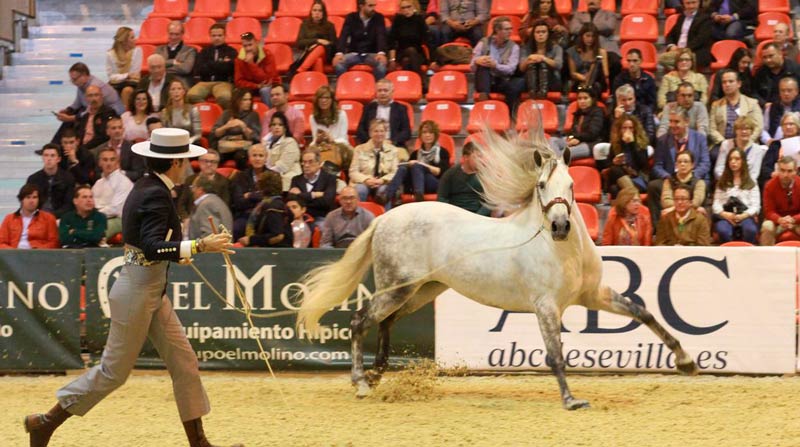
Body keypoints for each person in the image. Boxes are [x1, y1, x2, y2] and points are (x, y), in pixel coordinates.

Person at [23, 128, 239, 447]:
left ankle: (199, 443)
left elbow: (147, 244)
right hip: (138, 292)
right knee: (113, 372)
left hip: (149, 288)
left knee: (184, 362)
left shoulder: (150, 187)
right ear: (176, 162)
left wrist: (179, 252)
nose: (190, 165)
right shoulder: (155, 192)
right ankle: (45, 422)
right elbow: (151, 247)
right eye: (187, 160)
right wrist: (197, 246)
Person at [647, 110, 709, 220]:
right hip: (672, 180)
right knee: (653, 186)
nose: (672, 125)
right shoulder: (663, 140)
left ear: (686, 122)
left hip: (692, 180)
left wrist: (690, 175)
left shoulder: (700, 138)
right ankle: (657, 228)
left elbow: (705, 164)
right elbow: (657, 166)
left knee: (703, 185)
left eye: (676, 122)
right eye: (670, 121)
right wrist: (669, 178)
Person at [51, 62, 124, 144]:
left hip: (110, 112)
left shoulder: (93, 87)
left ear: (84, 75)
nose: (73, 82)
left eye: (74, 79)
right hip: (96, 109)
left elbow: (89, 111)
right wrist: (68, 110)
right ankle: (56, 144)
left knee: (71, 120)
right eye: (71, 79)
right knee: (71, 115)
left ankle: (68, 144)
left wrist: (70, 118)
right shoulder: (82, 84)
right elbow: (78, 103)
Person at [384, 120, 450, 208]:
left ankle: (419, 195)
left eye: (430, 132)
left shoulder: (442, 152)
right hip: (415, 184)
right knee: (403, 168)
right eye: (424, 132)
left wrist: (421, 164)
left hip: (434, 184)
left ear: (435, 135)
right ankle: (387, 195)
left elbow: (439, 171)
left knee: (417, 166)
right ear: (420, 135)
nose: (427, 135)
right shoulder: (415, 154)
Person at [472, 16, 525, 112]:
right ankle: (484, 96)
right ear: (497, 30)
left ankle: (509, 114)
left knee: (517, 84)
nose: (510, 32)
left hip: (502, 80)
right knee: (483, 64)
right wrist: (477, 60)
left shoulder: (514, 47)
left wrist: (495, 65)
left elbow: (511, 69)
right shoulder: (483, 42)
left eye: (511, 29)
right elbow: (471, 66)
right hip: (485, 79)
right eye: (506, 29)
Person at [712, 148, 760, 244]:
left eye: (737, 159)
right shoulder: (722, 181)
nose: (733, 162)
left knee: (750, 230)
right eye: (730, 159)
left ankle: (747, 253)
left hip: (745, 215)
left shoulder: (751, 182)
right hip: (726, 215)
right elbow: (716, 204)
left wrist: (743, 216)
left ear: (743, 161)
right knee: (723, 230)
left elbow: (756, 206)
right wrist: (725, 214)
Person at [708, 69, 763, 151]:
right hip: (723, 144)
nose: (727, 84)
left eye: (730, 81)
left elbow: (758, 127)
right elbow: (712, 129)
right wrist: (725, 143)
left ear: (739, 84)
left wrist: (745, 142)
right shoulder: (716, 105)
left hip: (747, 143)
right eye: (724, 82)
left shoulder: (752, 103)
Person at [334, 0, 389, 79]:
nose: (373, 8)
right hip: (354, 53)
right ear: (361, 6)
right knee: (339, 65)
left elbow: (381, 36)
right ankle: (344, 87)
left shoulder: (379, 17)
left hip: (372, 53)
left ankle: (378, 89)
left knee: (381, 66)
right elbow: (344, 35)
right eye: (370, 6)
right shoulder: (351, 17)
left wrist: (381, 53)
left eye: (374, 5)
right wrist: (339, 53)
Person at [598, 114, 649, 198]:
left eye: (630, 128)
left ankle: (634, 197)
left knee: (615, 179)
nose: (627, 131)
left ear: (635, 129)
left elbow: (643, 165)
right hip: (621, 178)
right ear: (620, 130)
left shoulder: (641, 144)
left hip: (638, 178)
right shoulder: (616, 144)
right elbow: (608, 165)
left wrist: (632, 144)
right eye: (624, 128)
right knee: (614, 187)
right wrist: (614, 162)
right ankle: (634, 199)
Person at [350, 118, 400, 202]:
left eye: (382, 131)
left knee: (383, 191)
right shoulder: (359, 149)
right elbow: (353, 171)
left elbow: (395, 172)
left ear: (386, 133)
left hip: (383, 183)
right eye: (376, 131)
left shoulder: (393, 150)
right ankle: (360, 214)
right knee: (361, 190)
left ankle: (385, 215)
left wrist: (382, 180)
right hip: (363, 182)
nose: (379, 134)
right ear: (370, 133)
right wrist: (366, 180)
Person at [187, 23, 236, 108]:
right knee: (191, 95)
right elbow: (199, 69)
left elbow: (229, 69)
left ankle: (220, 116)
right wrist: (221, 64)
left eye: (219, 35)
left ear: (225, 36)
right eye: (214, 35)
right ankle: (208, 110)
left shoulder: (231, 51)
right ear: (210, 36)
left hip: (223, 82)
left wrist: (210, 64)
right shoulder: (204, 51)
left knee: (225, 97)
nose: (217, 38)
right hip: (204, 82)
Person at [210, 89, 261, 169]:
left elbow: (256, 137)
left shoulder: (253, 115)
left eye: (250, 99)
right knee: (215, 156)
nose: (249, 102)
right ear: (237, 100)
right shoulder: (227, 113)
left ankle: (241, 179)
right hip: (226, 146)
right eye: (245, 100)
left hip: (243, 147)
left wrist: (244, 127)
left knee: (240, 156)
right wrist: (227, 126)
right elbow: (214, 133)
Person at [238, 171, 292, 247]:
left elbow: (278, 236)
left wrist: (251, 240)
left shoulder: (273, 207)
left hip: (276, 253)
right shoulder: (276, 204)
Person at [552, 86, 604, 161]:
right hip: (577, 141)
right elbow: (573, 131)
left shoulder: (598, 112)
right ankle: (555, 160)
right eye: (579, 98)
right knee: (553, 140)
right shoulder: (578, 113)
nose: (582, 101)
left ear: (592, 99)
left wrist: (576, 138)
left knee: (564, 153)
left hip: (590, 144)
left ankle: (554, 162)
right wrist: (571, 138)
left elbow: (592, 133)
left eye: (585, 98)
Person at [92, 146, 134, 238]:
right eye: (105, 160)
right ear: (99, 162)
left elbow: (115, 209)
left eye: (112, 160)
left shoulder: (123, 182)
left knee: (95, 232)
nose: (109, 163)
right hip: (98, 216)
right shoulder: (98, 183)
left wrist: (93, 216)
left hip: (119, 219)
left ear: (117, 162)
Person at [437, 142, 490, 215]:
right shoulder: (450, 174)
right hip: (455, 215)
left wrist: (478, 216)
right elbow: (442, 197)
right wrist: (450, 213)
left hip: (477, 215)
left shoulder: (486, 175)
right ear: (466, 157)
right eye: (477, 157)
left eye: (481, 157)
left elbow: (489, 202)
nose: (481, 160)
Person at [178, 149, 231, 221]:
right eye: (205, 161)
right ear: (199, 162)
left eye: (213, 162)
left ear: (217, 164)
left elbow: (224, 206)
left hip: (213, 220)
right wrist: (185, 218)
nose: (209, 164)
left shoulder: (224, 182)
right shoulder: (190, 179)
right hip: (190, 219)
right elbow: (181, 204)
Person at [355, 79, 412, 147]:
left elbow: (406, 132)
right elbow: (360, 130)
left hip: (394, 145)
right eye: (379, 90)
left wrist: (392, 141)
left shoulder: (401, 108)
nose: (382, 93)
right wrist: (371, 142)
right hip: (371, 145)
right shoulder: (368, 108)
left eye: (385, 90)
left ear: (392, 92)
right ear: (376, 93)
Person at [308, 85, 352, 174]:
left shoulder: (341, 115)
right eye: (321, 98)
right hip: (322, 147)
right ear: (317, 100)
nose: (324, 100)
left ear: (332, 100)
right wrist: (317, 140)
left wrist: (332, 139)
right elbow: (314, 140)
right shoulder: (313, 117)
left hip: (339, 146)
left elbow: (343, 139)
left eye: (327, 98)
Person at [0, 183, 59, 249]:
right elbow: (1, 242)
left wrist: (39, 251)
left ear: (38, 200)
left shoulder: (48, 218)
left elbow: (54, 243)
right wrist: (12, 251)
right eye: (28, 197)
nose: (31, 201)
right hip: (13, 255)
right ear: (21, 200)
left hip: (38, 255)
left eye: (34, 197)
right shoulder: (9, 219)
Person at [288, 149, 338, 225]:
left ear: (319, 163)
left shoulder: (330, 179)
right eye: (304, 162)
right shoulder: (296, 180)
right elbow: (293, 201)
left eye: (310, 162)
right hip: (300, 217)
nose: (306, 165)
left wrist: (301, 195)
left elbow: (327, 202)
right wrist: (314, 195)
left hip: (321, 216)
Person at [660, 0, 712, 71]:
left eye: (693, 3)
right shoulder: (681, 17)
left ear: (699, 3)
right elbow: (671, 35)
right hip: (678, 51)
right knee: (662, 59)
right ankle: (680, 74)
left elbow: (700, 39)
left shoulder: (705, 18)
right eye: (688, 3)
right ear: (683, 4)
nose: (691, 6)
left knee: (682, 60)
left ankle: (682, 75)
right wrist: (671, 45)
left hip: (695, 52)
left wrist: (683, 50)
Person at [92, 116, 148, 182]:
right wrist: (106, 174)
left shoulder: (132, 149)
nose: (117, 131)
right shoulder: (99, 150)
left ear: (123, 130)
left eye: (120, 128)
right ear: (107, 131)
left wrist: (120, 173)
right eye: (114, 128)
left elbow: (138, 173)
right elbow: (96, 173)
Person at [231, 144, 270, 238]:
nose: (257, 159)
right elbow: (238, 202)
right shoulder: (240, 176)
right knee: (235, 229)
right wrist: (259, 196)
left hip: (267, 215)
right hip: (245, 215)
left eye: (261, 156)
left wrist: (249, 195)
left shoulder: (273, 176)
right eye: (254, 155)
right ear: (249, 158)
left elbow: (271, 200)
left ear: (266, 158)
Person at [27, 144, 76, 219]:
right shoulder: (33, 179)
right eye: (46, 155)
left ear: (58, 159)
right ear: (42, 158)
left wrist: (52, 216)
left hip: (60, 218)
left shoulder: (68, 178)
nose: (49, 159)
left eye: (52, 156)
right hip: (38, 217)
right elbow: (28, 203)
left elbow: (69, 205)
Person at [760, 156, 800, 245]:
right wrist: (780, 220)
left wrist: (793, 219)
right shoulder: (769, 185)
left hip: (797, 221)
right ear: (777, 170)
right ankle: (767, 256)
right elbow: (769, 212)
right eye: (782, 170)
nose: (785, 175)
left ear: (796, 171)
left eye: (789, 171)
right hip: (777, 222)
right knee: (767, 226)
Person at [714, 116, 766, 183]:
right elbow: (718, 169)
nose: (744, 131)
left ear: (752, 131)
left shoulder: (757, 149)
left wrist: (741, 184)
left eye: (747, 129)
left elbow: (754, 174)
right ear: (736, 131)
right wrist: (730, 182)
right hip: (727, 183)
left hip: (747, 184)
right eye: (741, 129)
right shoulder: (726, 144)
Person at [519, 19, 563, 99]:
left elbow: (559, 65)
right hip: (530, 80)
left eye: (543, 32)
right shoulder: (526, 48)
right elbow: (521, 68)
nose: (540, 35)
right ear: (534, 34)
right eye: (538, 32)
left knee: (543, 64)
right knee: (532, 64)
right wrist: (529, 59)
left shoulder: (556, 48)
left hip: (552, 81)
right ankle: (533, 95)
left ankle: (542, 96)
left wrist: (543, 58)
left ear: (548, 34)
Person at [234, 31, 280, 106]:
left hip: (271, 85)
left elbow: (267, 81)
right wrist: (256, 86)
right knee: (237, 93)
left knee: (264, 90)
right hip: (251, 87)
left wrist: (251, 64)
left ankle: (270, 115)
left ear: (257, 43)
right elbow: (238, 82)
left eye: (250, 45)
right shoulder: (239, 59)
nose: (248, 48)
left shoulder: (267, 54)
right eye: (245, 46)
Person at [388, 0, 430, 81]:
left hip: (418, 53)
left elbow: (426, 39)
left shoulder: (419, 19)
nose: (406, 10)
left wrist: (431, 59)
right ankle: (421, 81)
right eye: (403, 8)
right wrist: (392, 59)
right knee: (410, 51)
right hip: (401, 51)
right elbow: (391, 41)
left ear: (414, 7)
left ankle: (411, 86)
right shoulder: (398, 20)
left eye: (408, 7)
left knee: (406, 61)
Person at [294, 0, 338, 74]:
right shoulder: (305, 25)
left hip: (326, 55)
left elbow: (334, 44)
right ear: (311, 12)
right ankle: (321, 83)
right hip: (309, 53)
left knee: (320, 48)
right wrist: (317, 41)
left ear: (323, 13)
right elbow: (299, 43)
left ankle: (300, 71)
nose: (317, 13)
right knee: (318, 60)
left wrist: (320, 45)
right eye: (314, 10)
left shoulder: (330, 26)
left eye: (320, 11)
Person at [660, 151, 707, 219]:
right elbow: (666, 202)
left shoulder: (699, 182)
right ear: (676, 165)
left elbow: (696, 202)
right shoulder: (668, 181)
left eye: (686, 161)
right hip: (673, 215)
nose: (682, 164)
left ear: (692, 165)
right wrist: (682, 207)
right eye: (679, 162)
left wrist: (674, 208)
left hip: (692, 215)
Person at [565, 22, 608, 96]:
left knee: (597, 63)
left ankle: (588, 88)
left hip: (597, 83)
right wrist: (584, 78)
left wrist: (590, 76)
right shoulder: (572, 51)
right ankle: (586, 89)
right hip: (579, 84)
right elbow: (573, 73)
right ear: (582, 36)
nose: (590, 39)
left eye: (593, 36)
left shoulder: (601, 52)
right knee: (578, 86)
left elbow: (605, 73)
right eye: (587, 36)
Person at [753, 42, 800, 108]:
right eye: (765, 57)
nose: (768, 60)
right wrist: (763, 103)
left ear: (780, 54)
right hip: (767, 108)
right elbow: (754, 92)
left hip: (792, 108)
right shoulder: (761, 72)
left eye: (771, 56)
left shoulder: (795, 69)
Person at [187, 175, 234, 240]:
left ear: (200, 190)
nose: (192, 190)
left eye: (193, 187)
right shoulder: (217, 201)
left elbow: (210, 235)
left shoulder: (206, 205)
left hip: (210, 249)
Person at [105, 26, 142, 110]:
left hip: (132, 84)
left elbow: (135, 74)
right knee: (105, 91)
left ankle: (124, 115)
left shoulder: (137, 51)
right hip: (116, 84)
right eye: (132, 38)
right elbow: (111, 76)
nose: (135, 40)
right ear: (124, 41)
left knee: (127, 90)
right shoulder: (110, 54)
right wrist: (127, 75)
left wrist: (121, 76)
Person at [264, 112, 302, 191]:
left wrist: (266, 174)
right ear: (270, 127)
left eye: (280, 125)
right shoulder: (268, 143)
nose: (276, 127)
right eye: (274, 125)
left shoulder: (290, 142)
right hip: (274, 180)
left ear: (285, 128)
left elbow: (283, 166)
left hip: (289, 181)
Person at [761, 113, 800, 191]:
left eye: (791, 124)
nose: (788, 127)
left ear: (798, 127)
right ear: (781, 128)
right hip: (777, 181)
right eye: (785, 124)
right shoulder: (775, 145)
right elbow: (765, 168)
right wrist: (773, 174)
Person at [75, 85, 120, 152]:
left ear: (102, 96)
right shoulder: (85, 116)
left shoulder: (109, 113)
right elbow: (79, 134)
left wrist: (83, 148)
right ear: (86, 98)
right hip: (83, 149)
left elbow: (103, 137)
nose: (94, 99)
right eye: (90, 96)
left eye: (96, 95)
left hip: (99, 149)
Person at [155, 20, 197, 87]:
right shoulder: (159, 49)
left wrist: (163, 67)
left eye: (176, 34)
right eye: (171, 34)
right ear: (167, 33)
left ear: (182, 34)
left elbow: (185, 69)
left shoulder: (190, 50)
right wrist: (173, 62)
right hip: (161, 81)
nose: (173, 37)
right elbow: (155, 67)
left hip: (181, 82)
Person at [761, 77, 800, 146]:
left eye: (789, 90)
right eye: (783, 90)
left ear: (796, 91)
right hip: (775, 146)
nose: (786, 93)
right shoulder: (771, 108)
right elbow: (763, 129)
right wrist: (769, 140)